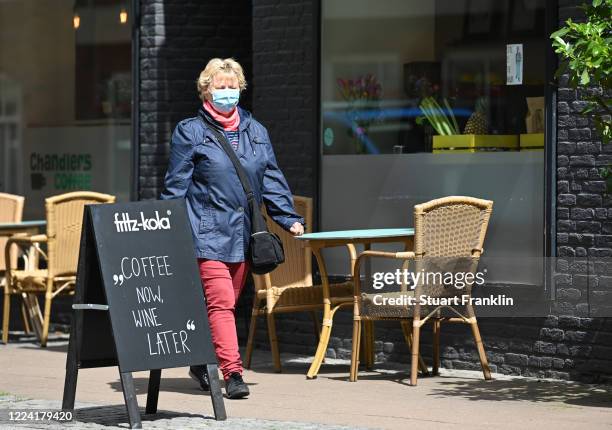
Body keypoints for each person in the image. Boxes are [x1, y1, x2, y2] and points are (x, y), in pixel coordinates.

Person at [160, 58, 305, 399]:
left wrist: (288, 218)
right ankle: (234, 374)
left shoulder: (256, 131)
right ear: (205, 91)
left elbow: (270, 176)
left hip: (244, 234)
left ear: (240, 89)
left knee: (226, 303)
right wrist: (169, 228)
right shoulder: (190, 131)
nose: (226, 92)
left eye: (231, 86)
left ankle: (200, 363)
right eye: (218, 87)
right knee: (222, 303)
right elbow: (175, 185)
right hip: (205, 231)